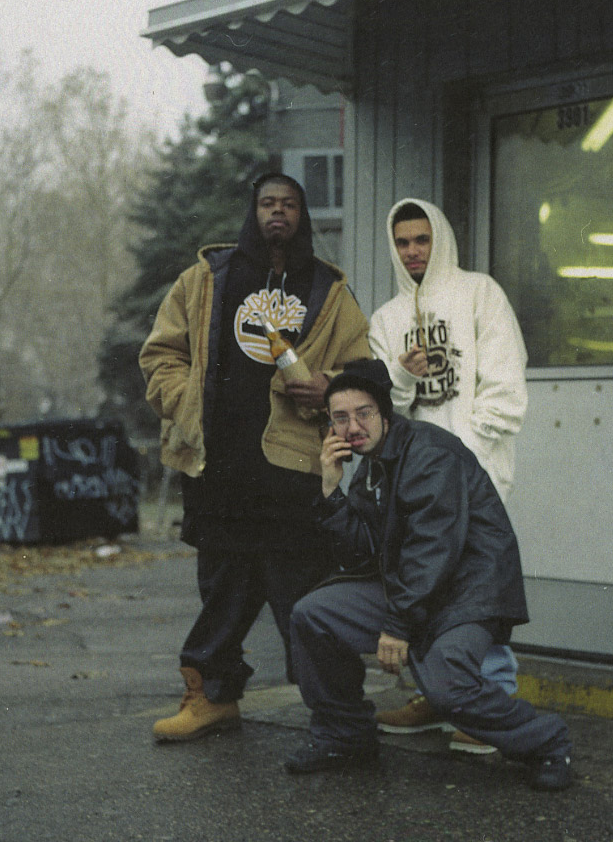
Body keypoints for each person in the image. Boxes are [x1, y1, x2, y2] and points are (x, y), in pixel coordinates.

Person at [139, 172, 370, 742]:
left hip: (293, 473)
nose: (278, 213)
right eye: (268, 203)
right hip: (218, 470)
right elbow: (160, 354)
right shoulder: (206, 280)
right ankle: (212, 698)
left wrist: (330, 388)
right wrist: (187, 400)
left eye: (288, 204)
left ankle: (336, 714)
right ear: (254, 211)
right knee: (222, 592)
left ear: (301, 215)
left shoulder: (327, 289)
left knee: (304, 598)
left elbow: (364, 367)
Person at [284, 359, 572, 790]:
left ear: (385, 412)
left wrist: (397, 626)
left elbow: (433, 549)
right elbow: (362, 550)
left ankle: (548, 743)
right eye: (340, 418)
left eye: (363, 413)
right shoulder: (371, 463)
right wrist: (330, 490)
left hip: (467, 593)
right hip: (416, 590)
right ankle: (344, 736)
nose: (352, 427)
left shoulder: (428, 451)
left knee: (448, 688)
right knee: (314, 615)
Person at [368, 198, 528, 752]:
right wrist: (402, 377)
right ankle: (436, 696)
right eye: (403, 242)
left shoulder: (479, 292)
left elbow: (505, 382)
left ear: (441, 239)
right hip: (416, 480)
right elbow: (383, 409)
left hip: (476, 470)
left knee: (480, 582)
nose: (413, 251)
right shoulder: (386, 319)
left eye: (423, 239)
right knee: (423, 578)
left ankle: (491, 701)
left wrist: (473, 455)